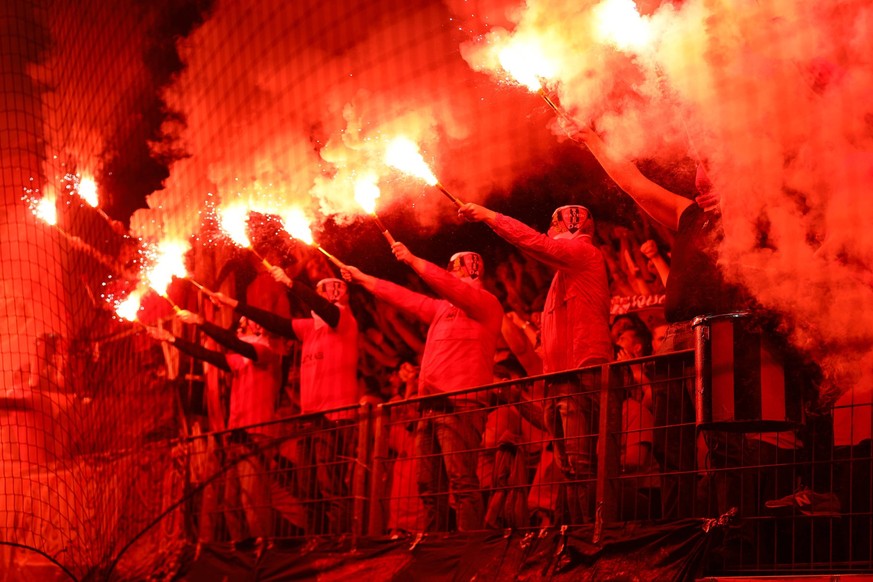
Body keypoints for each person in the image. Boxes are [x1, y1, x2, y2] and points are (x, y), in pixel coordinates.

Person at [459, 202, 612, 524]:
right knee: (570, 466)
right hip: (561, 378)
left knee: (582, 465)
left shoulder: (585, 255)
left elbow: (533, 243)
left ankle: (592, 537)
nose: (547, 231)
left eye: (553, 224)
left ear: (572, 225)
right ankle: (578, 535)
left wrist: (489, 216)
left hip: (580, 372)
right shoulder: (565, 274)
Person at [342, 243, 503, 532]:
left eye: (452, 269)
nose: (446, 274)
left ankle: (470, 548)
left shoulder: (486, 303)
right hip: (430, 405)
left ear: (469, 269)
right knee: (428, 485)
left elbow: (452, 288)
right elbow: (405, 298)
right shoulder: (442, 308)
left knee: (461, 481)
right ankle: (434, 547)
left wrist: (413, 260)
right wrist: (362, 278)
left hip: (461, 404)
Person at [211, 269, 359, 534]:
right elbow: (272, 321)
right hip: (308, 417)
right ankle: (318, 540)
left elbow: (326, 310)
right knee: (307, 487)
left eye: (323, 293)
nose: (320, 297)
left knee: (330, 484)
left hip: (335, 416)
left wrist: (291, 283)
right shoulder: (307, 330)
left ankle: (341, 540)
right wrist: (231, 303)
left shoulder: (343, 320)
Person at [148, 315, 282, 539]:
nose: (239, 328)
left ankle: (265, 549)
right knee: (231, 502)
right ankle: (242, 550)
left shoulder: (265, 352)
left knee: (252, 500)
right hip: (237, 435)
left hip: (255, 434)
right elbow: (209, 355)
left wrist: (201, 323)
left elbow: (234, 344)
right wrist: (172, 339)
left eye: (243, 324)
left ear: (259, 328)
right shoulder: (242, 359)